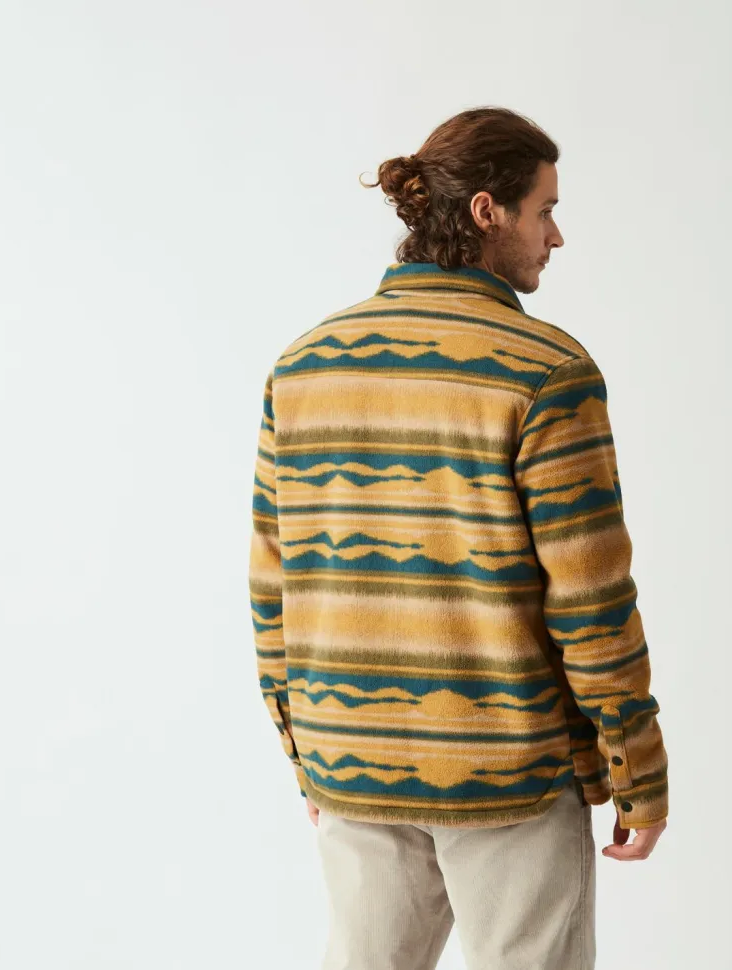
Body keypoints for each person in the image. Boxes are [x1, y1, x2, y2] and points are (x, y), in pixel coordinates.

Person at [248, 105, 669, 970]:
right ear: (487, 211)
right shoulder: (546, 373)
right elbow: (591, 602)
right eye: (545, 210)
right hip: (508, 769)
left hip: (353, 758)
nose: (556, 236)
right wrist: (637, 770)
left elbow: (273, 587)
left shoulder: (304, 366)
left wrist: (305, 752)